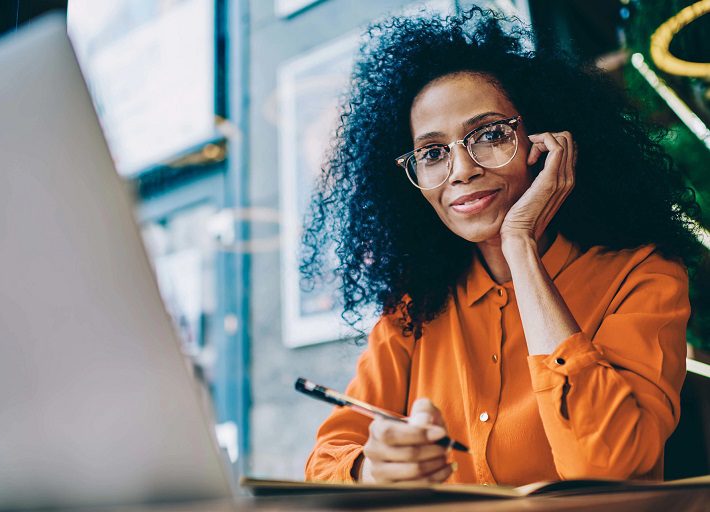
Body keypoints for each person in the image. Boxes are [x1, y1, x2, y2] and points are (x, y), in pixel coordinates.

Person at [301, 8, 704, 486]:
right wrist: (372, 469)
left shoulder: (643, 274)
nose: (461, 170)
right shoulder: (411, 311)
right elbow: (324, 463)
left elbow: (607, 464)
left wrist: (520, 246)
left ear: (546, 142)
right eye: (432, 153)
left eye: (490, 135)